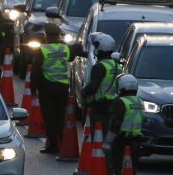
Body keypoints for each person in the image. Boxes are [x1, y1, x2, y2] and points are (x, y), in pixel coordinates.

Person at [32, 23, 75, 154]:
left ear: (47, 35)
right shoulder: (65, 48)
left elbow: (36, 70)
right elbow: (72, 57)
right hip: (62, 86)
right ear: (58, 35)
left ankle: (53, 145)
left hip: (47, 87)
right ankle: (63, 141)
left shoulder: (43, 49)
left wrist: (33, 87)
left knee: (49, 115)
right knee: (60, 114)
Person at [104, 74, 143, 175]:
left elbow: (115, 124)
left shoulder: (120, 102)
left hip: (121, 141)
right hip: (136, 140)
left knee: (120, 167)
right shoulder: (140, 102)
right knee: (132, 168)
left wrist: (107, 142)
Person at [81, 32, 119, 133]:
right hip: (111, 105)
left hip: (98, 106)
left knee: (95, 135)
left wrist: (83, 92)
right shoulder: (117, 66)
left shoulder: (100, 66)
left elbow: (93, 86)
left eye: (96, 45)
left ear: (102, 46)